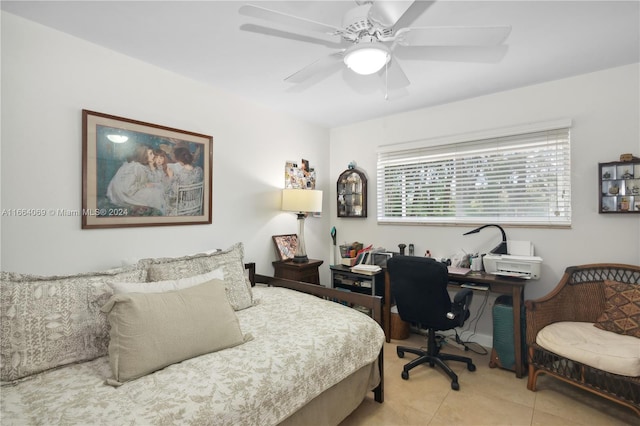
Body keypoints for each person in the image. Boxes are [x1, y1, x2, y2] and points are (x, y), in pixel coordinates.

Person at [106, 145, 167, 214]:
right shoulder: (135, 167)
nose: (153, 156)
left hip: (133, 190)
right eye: (150, 154)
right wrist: (145, 185)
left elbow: (152, 180)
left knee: (159, 187)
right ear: (143, 155)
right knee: (156, 193)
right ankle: (162, 215)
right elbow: (128, 189)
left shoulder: (142, 166)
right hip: (126, 195)